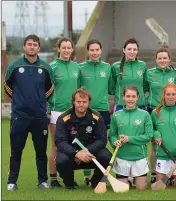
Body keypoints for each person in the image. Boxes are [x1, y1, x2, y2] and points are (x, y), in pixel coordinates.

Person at [5, 34, 54, 191]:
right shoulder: (14, 66)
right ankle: (12, 182)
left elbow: (50, 89)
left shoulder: (46, 68)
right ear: (24, 47)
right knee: (16, 151)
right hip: (19, 116)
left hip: (39, 116)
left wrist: (38, 101)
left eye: (35, 44)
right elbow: (7, 87)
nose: (32, 47)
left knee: (40, 152)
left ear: (39, 48)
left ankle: (42, 181)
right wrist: (21, 101)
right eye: (29, 44)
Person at [54, 87, 112, 190]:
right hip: (72, 156)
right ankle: (70, 184)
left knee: (106, 156)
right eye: (78, 101)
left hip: (91, 155)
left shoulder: (97, 117)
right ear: (73, 102)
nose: (81, 104)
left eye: (84, 102)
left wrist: (86, 152)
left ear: (89, 102)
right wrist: (76, 153)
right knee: (61, 160)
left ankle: (95, 182)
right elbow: (60, 141)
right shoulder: (63, 118)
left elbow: (102, 140)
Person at [79, 39, 114, 186]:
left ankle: (98, 173)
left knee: (101, 142)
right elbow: (78, 90)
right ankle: (87, 176)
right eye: (92, 50)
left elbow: (111, 88)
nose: (95, 53)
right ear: (88, 51)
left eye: (97, 50)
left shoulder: (107, 68)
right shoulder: (80, 67)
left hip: (103, 111)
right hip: (85, 110)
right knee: (85, 140)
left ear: (101, 51)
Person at [47, 37, 81, 187]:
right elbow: (45, 91)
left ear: (72, 49)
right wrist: (47, 110)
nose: (67, 50)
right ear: (58, 49)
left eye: (69, 48)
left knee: (71, 146)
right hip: (56, 112)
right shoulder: (51, 67)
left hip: (73, 113)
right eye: (64, 48)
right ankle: (53, 179)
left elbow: (80, 89)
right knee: (56, 146)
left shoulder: (76, 67)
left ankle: (69, 178)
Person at [109, 85, 154, 190]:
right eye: (128, 96)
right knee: (122, 191)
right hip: (122, 157)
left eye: (133, 96)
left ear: (138, 97)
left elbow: (149, 136)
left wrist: (129, 139)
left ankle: (133, 178)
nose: (130, 99)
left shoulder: (145, 115)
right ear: (123, 97)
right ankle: (128, 178)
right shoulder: (116, 115)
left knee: (141, 188)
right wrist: (115, 142)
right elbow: (112, 135)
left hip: (139, 156)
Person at [144, 47, 176, 183]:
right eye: (160, 58)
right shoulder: (149, 73)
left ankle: (173, 173)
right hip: (154, 109)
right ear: (156, 60)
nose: (163, 60)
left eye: (165, 58)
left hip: (171, 109)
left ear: (169, 59)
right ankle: (154, 173)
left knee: (171, 141)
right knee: (154, 144)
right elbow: (145, 88)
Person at [151, 84, 176, 187]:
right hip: (162, 155)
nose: (170, 96)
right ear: (164, 95)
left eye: (173, 94)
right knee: (161, 188)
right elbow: (151, 130)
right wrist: (156, 134)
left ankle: (174, 179)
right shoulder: (155, 112)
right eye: (168, 94)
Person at [111, 38, 148, 112]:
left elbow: (145, 85)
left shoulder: (143, 65)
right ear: (124, 50)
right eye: (129, 49)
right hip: (121, 106)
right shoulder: (115, 66)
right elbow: (111, 87)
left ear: (137, 51)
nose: (132, 52)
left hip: (139, 105)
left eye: (135, 49)